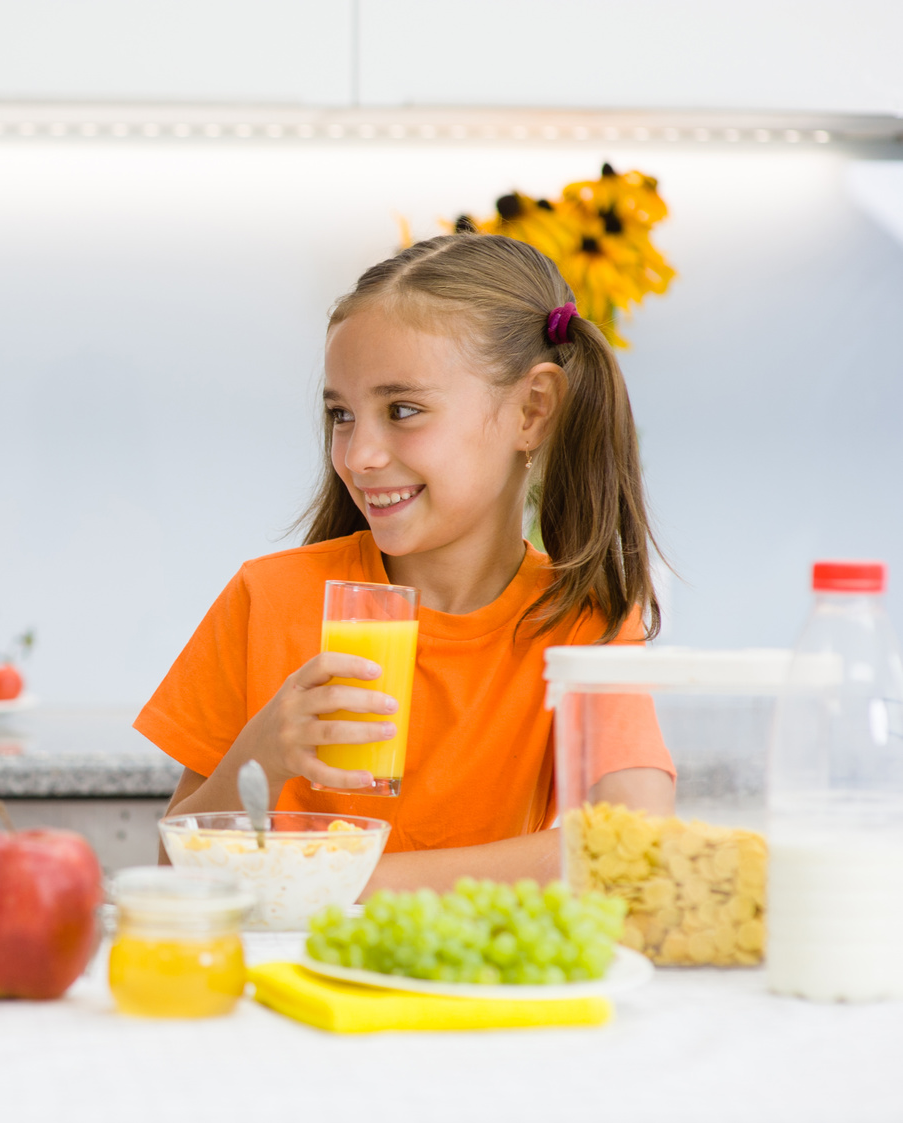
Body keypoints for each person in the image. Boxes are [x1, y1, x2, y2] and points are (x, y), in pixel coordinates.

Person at [137, 233, 674, 891]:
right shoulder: (268, 599)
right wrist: (262, 755)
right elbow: (174, 876)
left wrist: (333, 883)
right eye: (341, 415)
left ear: (531, 412)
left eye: (402, 410)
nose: (358, 454)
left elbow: (633, 850)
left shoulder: (581, 625)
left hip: (481, 992)